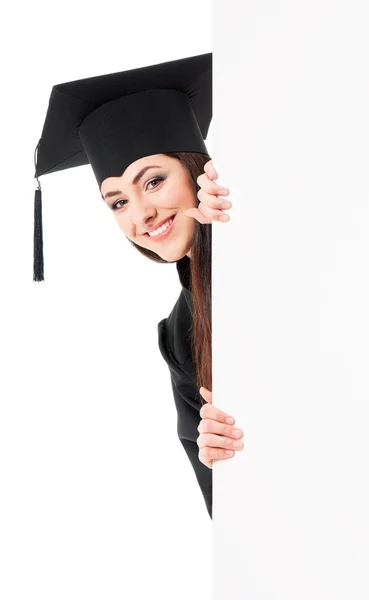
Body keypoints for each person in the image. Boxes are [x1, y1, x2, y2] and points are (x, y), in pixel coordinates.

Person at [33, 53, 244, 519]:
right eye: (117, 201)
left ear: (198, 169)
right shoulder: (178, 333)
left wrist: (233, 233)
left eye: (152, 181)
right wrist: (222, 459)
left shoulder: (268, 243)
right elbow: (223, 505)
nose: (140, 214)